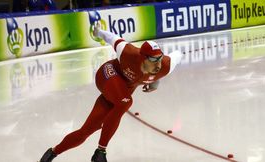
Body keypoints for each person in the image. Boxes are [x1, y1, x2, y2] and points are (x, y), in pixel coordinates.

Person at [39, 23, 182, 162]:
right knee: (125, 102)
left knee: (87, 131)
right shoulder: (128, 52)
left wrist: (155, 80)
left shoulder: (165, 66)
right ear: (143, 57)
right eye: (153, 60)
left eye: (160, 59)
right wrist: (99, 32)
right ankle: (100, 152)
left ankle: (52, 152)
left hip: (120, 91)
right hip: (107, 75)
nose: (158, 64)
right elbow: (113, 38)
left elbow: (178, 54)